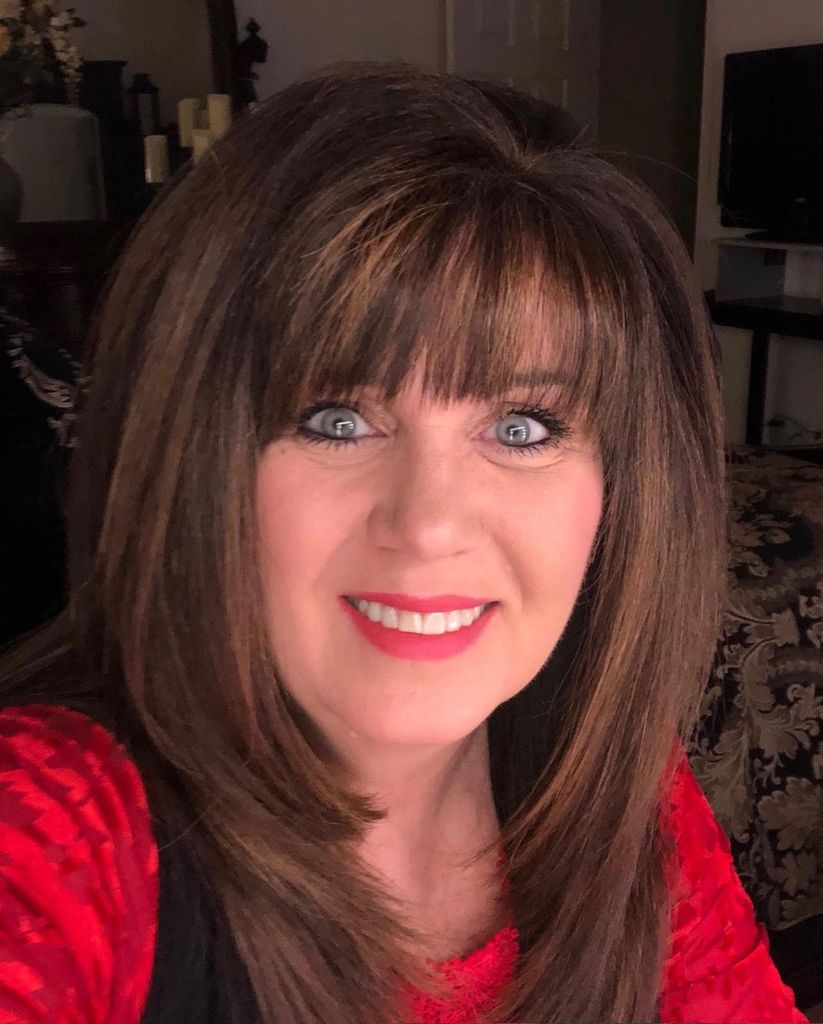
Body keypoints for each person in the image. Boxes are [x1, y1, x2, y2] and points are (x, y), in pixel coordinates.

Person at [0, 65, 808, 1024]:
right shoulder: (51, 829)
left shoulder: (614, 783)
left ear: (621, 492)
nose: (429, 524)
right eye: (336, 420)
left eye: (521, 428)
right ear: (191, 458)